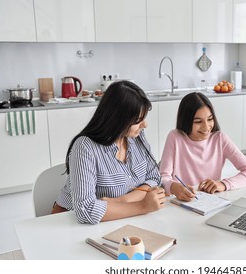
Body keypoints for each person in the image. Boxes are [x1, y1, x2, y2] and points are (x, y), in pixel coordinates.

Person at [52, 80, 165, 224]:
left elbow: (154, 177)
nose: (145, 125)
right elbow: (86, 210)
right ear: (117, 119)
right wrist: (142, 205)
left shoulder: (136, 136)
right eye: (138, 120)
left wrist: (123, 200)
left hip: (119, 219)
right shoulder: (85, 147)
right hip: (68, 222)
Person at [159, 92, 246, 201]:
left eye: (210, 119)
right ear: (186, 121)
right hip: (181, 202)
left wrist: (224, 184)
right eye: (198, 121)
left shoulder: (220, 139)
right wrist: (173, 187)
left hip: (211, 201)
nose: (206, 127)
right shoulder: (175, 137)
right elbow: (163, 177)